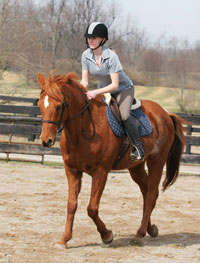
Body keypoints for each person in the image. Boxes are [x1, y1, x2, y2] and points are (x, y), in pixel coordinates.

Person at [80, 22, 144, 160]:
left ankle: (138, 149)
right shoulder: (85, 55)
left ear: (103, 40)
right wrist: (77, 91)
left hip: (123, 89)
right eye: (89, 37)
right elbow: (84, 81)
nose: (90, 40)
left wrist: (95, 92)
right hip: (103, 89)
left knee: (124, 115)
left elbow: (115, 85)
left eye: (94, 38)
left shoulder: (111, 57)